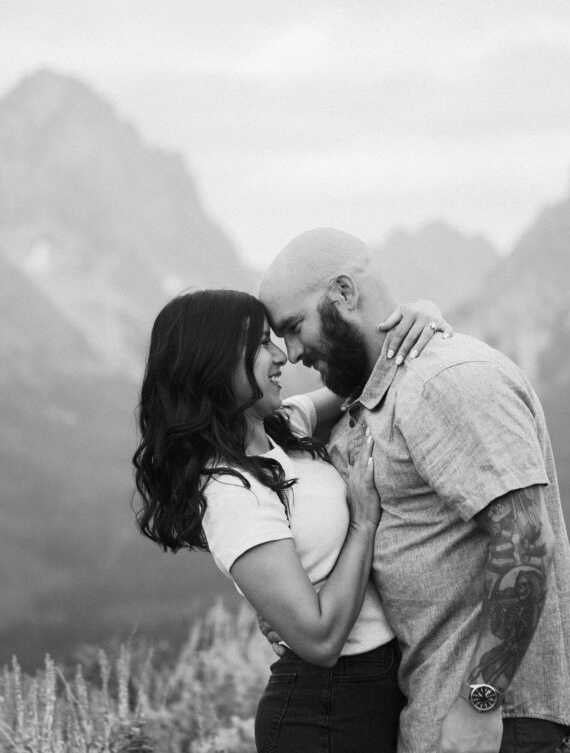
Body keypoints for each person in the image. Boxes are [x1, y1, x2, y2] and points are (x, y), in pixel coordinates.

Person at [258, 229, 570, 753]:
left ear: (344, 294)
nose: (294, 352)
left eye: (294, 327)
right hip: (437, 714)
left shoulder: (447, 382)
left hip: (488, 725)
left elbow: (527, 539)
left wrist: (480, 704)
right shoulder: (376, 396)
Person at [132, 288, 452, 752]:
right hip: (322, 713)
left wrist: (422, 315)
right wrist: (363, 523)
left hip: (376, 689)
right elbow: (319, 640)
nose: (281, 354)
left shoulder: (283, 428)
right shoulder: (230, 490)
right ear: (215, 364)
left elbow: (372, 377)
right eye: (262, 344)